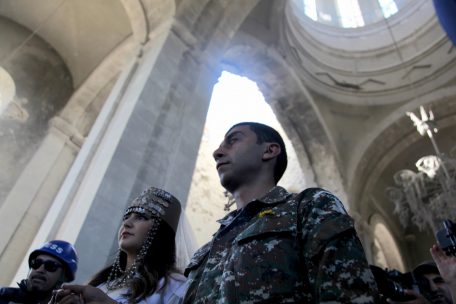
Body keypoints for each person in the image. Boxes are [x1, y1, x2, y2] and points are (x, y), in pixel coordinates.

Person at [183, 122, 378, 303]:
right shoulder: (208, 248)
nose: (217, 152)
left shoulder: (309, 207)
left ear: (269, 150)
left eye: (233, 140)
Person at [54, 187, 187, 304]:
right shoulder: (103, 284)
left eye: (141, 217)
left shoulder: (174, 286)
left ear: (160, 230)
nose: (127, 223)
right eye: (126, 217)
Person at [0, 240, 78, 304]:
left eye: (50, 266)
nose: (40, 270)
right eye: (36, 263)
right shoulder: (3, 296)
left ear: (64, 277)